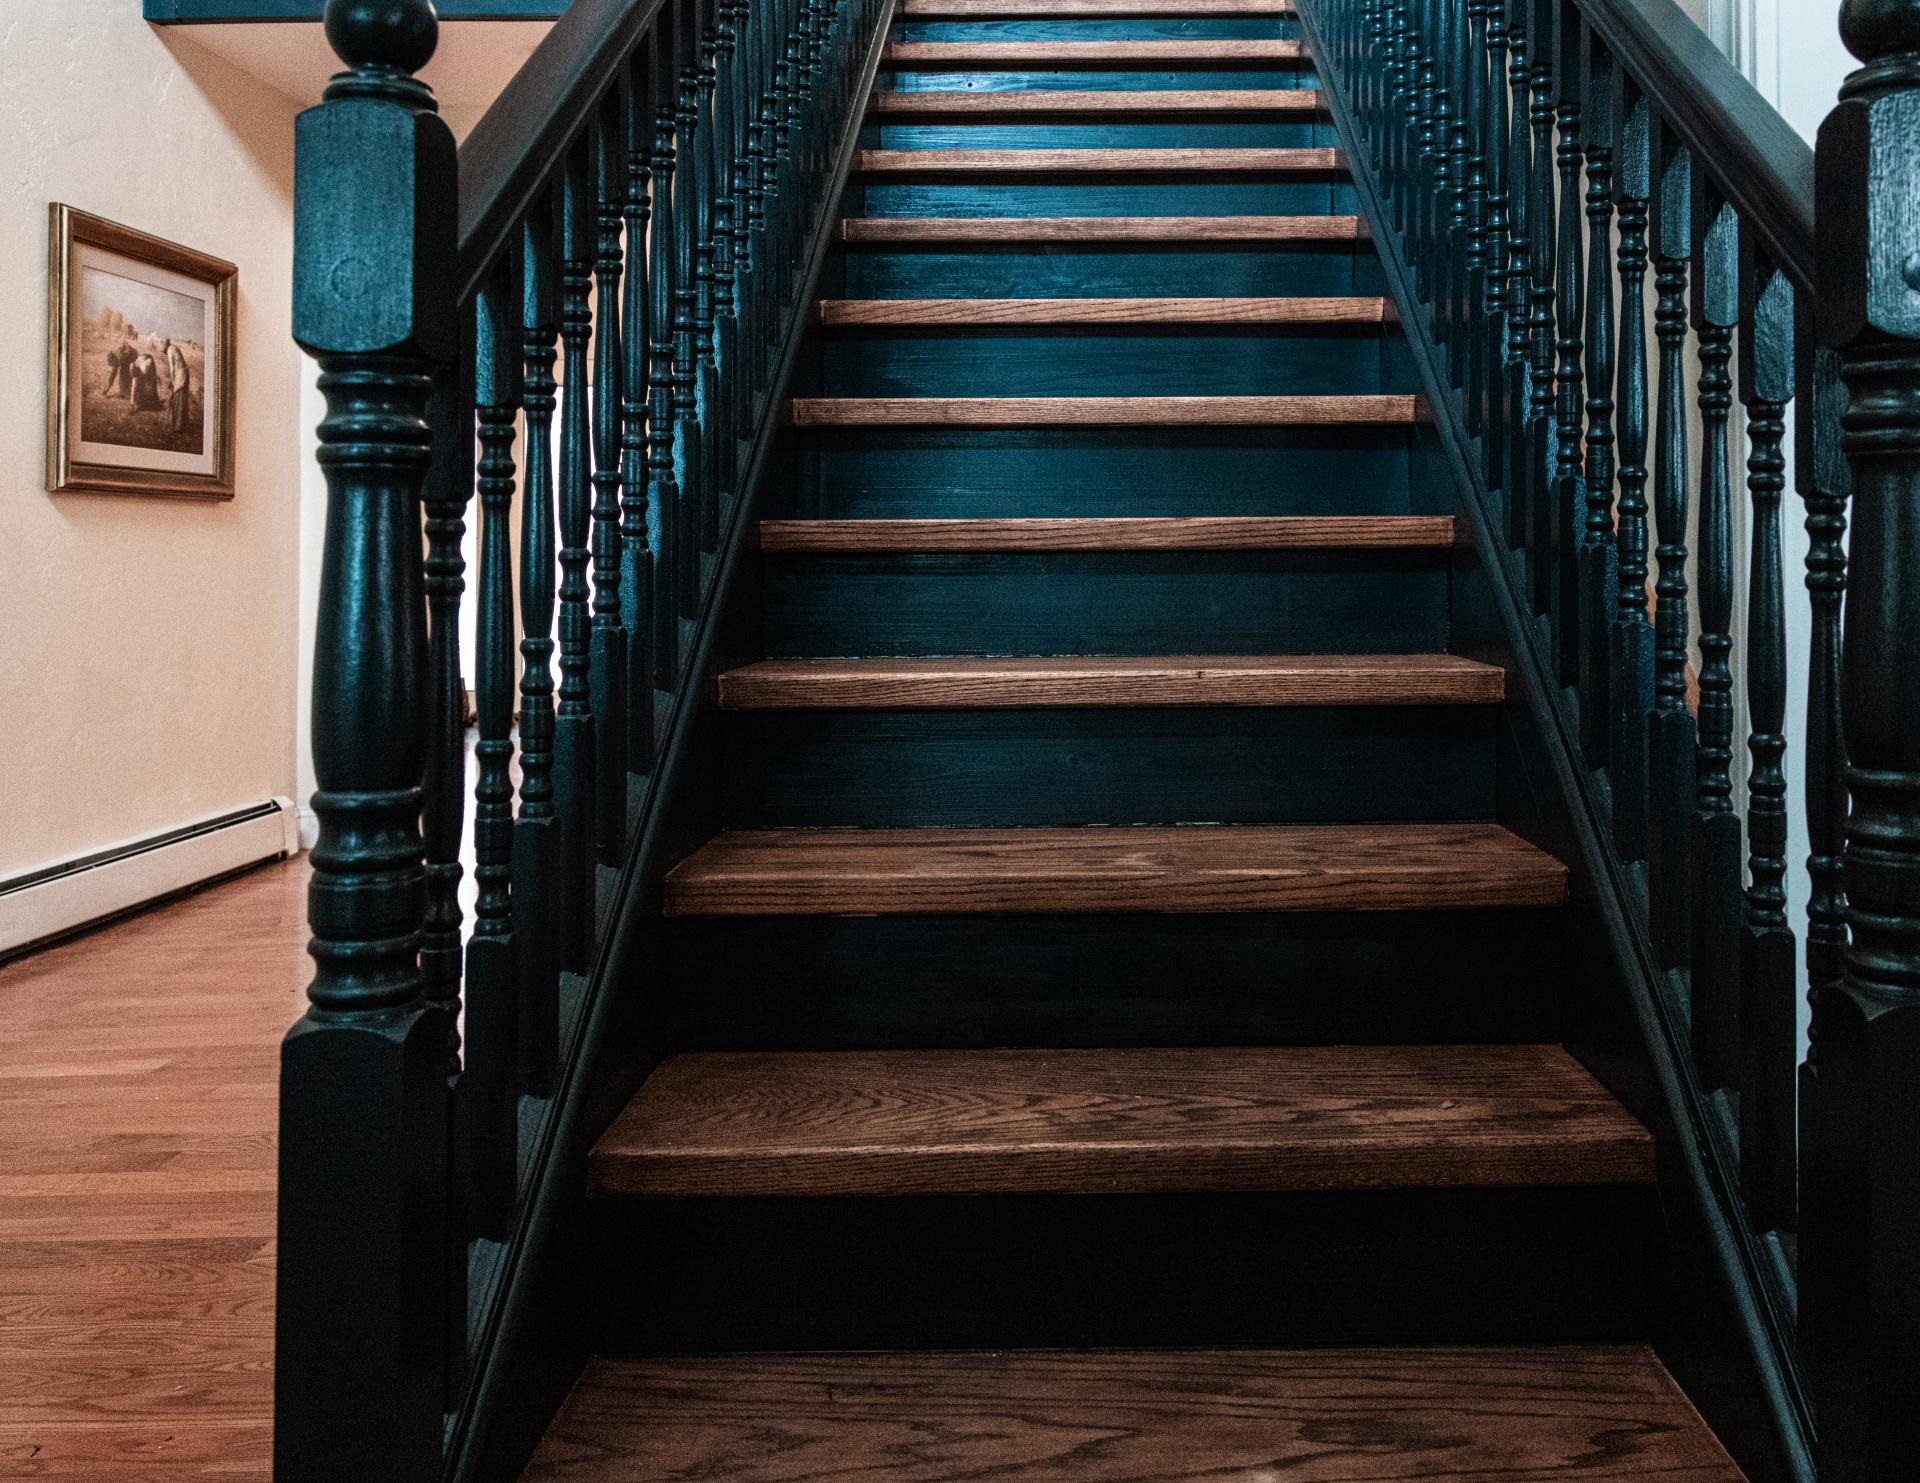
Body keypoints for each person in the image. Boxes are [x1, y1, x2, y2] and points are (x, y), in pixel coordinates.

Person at [165, 339, 191, 435]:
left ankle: (179, 426)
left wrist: (172, 381)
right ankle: (182, 424)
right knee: (181, 398)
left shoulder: (169, 350)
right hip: (183, 372)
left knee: (178, 398)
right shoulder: (174, 347)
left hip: (180, 373)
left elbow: (172, 369)